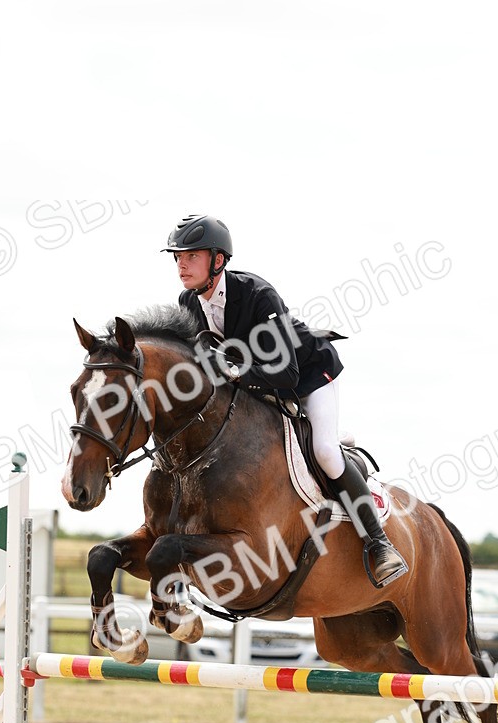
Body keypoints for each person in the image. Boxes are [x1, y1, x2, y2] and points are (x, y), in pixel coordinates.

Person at [162, 214, 408, 587]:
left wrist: (232, 372)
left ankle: (379, 543)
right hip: (256, 388)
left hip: (308, 376)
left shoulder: (258, 295)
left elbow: (286, 374)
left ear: (218, 260)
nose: (182, 264)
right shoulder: (188, 303)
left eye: (191, 256)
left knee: (325, 450)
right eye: (178, 257)